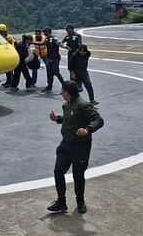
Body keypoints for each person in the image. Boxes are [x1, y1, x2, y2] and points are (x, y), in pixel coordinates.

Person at [47, 81, 104, 214]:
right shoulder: (66, 105)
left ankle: (80, 201)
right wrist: (58, 119)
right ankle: (61, 201)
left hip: (81, 146)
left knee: (78, 175)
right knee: (58, 171)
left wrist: (88, 130)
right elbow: (70, 119)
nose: (61, 92)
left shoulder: (83, 105)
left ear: (67, 92)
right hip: (66, 144)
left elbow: (99, 120)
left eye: (62, 90)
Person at [41, 27, 65, 93]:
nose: (44, 33)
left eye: (45, 32)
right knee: (49, 73)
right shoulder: (47, 39)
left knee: (56, 72)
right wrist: (33, 43)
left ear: (48, 32)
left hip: (55, 58)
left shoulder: (53, 38)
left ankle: (65, 86)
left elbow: (58, 43)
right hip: (49, 58)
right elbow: (42, 44)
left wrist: (62, 45)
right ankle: (49, 87)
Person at [0, 23, 16, 87]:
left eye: (0, 31)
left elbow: (13, 44)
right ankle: (8, 81)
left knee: (9, 70)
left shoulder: (8, 37)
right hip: (3, 54)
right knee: (6, 70)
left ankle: (10, 82)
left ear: (4, 31)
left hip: (9, 54)